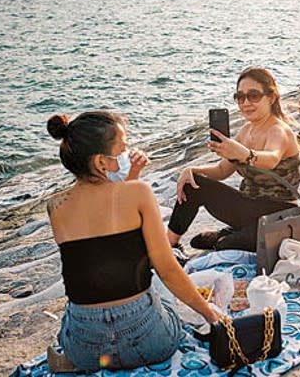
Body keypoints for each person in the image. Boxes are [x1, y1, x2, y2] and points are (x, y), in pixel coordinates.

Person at [45, 111, 220, 372]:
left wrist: (132, 173)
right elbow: (167, 267)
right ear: (101, 163)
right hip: (150, 342)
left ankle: (71, 360)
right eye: (123, 148)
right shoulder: (139, 193)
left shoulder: (55, 206)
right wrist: (212, 316)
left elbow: (101, 244)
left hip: (87, 349)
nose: (128, 153)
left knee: (73, 316)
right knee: (160, 280)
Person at [167, 67, 300, 252]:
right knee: (192, 183)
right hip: (248, 207)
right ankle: (170, 245)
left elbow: (271, 158)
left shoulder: (278, 130)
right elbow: (222, 171)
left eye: (253, 95)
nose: (246, 103)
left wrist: (245, 153)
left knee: (227, 245)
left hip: (276, 213)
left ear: (271, 97)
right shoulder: (246, 130)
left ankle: (226, 236)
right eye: (240, 97)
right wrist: (192, 170)